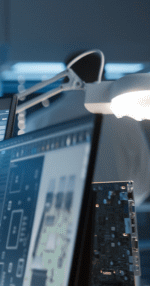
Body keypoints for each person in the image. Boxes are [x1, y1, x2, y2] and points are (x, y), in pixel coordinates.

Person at [24, 50, 150, 204]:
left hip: (58, 216)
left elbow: (29, 183)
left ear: (65, 76)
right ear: (103, 75)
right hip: (113, 214)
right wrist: (121, 203)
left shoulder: (38, 122)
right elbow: (144, 181)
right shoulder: (126, 120)